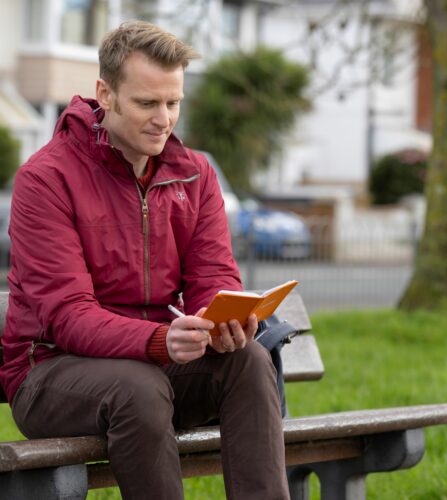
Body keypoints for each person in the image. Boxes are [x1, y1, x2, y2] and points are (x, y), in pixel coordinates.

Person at [0, 21, 289, 499]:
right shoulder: (46, 180)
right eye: (147, 103)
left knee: (249, 361)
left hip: (156, 369)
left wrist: (223, 322)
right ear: (105, 93)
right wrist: (159, 340)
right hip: (50, 372)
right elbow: (68, 315)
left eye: (173, 102)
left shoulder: (195, 175)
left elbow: (213, 275)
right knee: (136, 387)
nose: (164, 119)